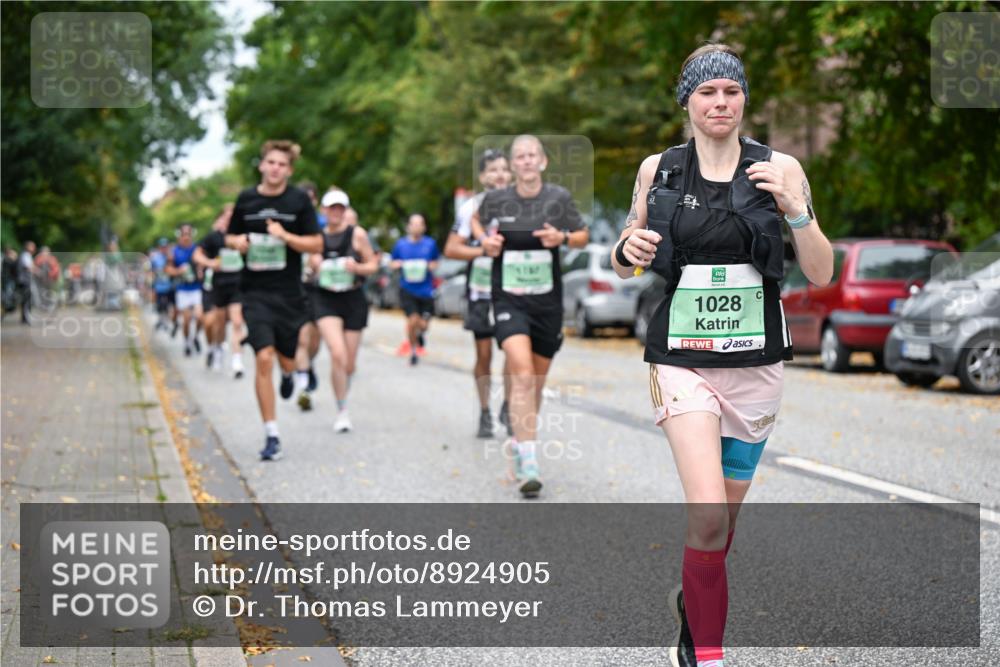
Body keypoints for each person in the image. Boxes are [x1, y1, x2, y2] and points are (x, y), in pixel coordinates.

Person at [610, 44, 834, 667]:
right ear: (687, 101)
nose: (720, 103)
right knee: (707, 515)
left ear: (743, 100)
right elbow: (626, 252)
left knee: (721, 528)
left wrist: (797, 210)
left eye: (731, 92)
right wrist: (628, 250)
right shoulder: (660, 170)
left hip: (757, 369)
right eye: (707, 93)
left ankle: (695, 599)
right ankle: (707, 654)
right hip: (680, 362)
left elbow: (819, 271)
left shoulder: (781, 166)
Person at [473, 135, 589, 498]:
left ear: (542, 161)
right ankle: (530, 460)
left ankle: (522, 441)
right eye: (518, 156)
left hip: (547, 304)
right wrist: (485, 242)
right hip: (509, 300)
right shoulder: (496, 199)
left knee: (534, 383)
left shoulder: (558, 199)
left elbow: (583, 235)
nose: (524, 161)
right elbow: (476, 222)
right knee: (520, 370)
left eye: (531, 155)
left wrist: (563, 239)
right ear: (513, 164)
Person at [225, 139, 322, 461]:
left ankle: (290, 373)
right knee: (263, 357)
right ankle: (272, 435)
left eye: (282, 164)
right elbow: (229, 235)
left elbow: (316, 243)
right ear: (262, 165)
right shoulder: (246, 199)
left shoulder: (298, 201)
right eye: (271, 162)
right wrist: (236, 241)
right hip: (255, 292)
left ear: (289, 170)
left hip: (289, 294)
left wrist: (286, 237)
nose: (276, 168)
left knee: (286, 358)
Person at [444, 149, 514, 438]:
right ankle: (485, 410)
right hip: (481, 290)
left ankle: (509, 405)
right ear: (483, 176)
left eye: (503, 169)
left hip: (513, 288)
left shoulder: (522, 203)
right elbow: (451, 249)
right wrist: (481, 250)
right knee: (484, 354)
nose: (499, 174)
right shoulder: (471, 207)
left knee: (514, 348)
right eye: (493, 170)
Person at [302, 189, 379, 430]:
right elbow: (309, 266)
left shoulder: (357, 235)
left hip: (353, 299)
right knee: (337, 353)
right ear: (324, 210)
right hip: (325, 299)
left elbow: (373, 264)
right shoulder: (317, 237)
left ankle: (343, 391)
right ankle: (342, 410)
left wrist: (357, 268)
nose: (336, 212)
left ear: (345, 211)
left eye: (340, 208)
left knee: (349, 364)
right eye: (331, 208)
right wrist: (314, 265)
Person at [194, 204, 246, 378]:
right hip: (219, 286)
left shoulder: (242, 237)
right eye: (228, 216)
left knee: (237, 322)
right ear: (222, 218)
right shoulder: (214, 238)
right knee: (219, 324)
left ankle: (237, 361)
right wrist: (210, 264)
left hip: (237, 285)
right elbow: (197, 255)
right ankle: (217, 348)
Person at [390, 214, 440, 366]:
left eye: (420, 224)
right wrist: (397, 264)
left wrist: (430, 266)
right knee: (412, 321)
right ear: (409, 227)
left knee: (423, 324)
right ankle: (413, 351)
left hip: (426, 290)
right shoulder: (401, 245)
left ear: (424, 227)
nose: (417, 227)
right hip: (408, 289)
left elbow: (436, 263)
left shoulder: (430, 244)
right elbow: (391, 263)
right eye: (414, 224)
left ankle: (420, 335)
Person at [292, 181, 324, 399]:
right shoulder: (288, 222)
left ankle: (309, 364)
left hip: (319, 287)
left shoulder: (323, 222)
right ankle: (302, 381)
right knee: (302, 337)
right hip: (294, 286)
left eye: (310, 198)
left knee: (315, 339)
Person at [167, 224, 203, 356]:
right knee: (187, 319)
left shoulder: (197, 249)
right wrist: (178, 271)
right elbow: (168, 270)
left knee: (200, 317)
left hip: (196, 288)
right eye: (184, 235)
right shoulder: (174, 251)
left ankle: (196, 337)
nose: (186, 237)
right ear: (180, 236)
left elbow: (202, 263)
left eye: (189, 234)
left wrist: (201, 271)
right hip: (183, 289)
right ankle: (187, 342)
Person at [149, 239, 173, 331]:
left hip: (169, 285)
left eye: (165, 247)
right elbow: (151, 270)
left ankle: (166, 321)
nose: (164, 249)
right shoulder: (155, 258)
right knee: (160, 304)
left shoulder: (170, 256)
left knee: (167, 305)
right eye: (162, 247)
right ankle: (161, 320)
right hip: (159, 285)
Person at [17, 240, 36, 323]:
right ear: (28, 247)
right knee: (27, 299)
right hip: (24, 280)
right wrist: (38, 272)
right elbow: (28, 267)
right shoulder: (25, 255)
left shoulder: (27, 255)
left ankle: (25, 317)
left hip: (25, 280)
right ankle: (26, 317)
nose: (34, 248)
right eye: (32, 246)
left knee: (26, 299)